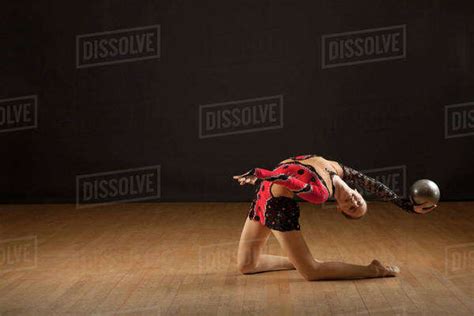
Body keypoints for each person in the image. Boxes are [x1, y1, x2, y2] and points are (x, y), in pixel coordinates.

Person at [233, 154, 437, 281]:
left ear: (339, 208)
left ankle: (373, 270)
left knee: (312, 272)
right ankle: (298, 260)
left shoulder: (321, 194)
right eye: (359, 203)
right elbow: (375, 185)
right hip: (262, 194)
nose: (354, 203)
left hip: (277, 205)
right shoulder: (338, 169)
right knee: (247, 265)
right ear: (358, 192)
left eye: (351, 208)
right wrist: (408, 206)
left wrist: (260, 173)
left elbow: (292, 182)